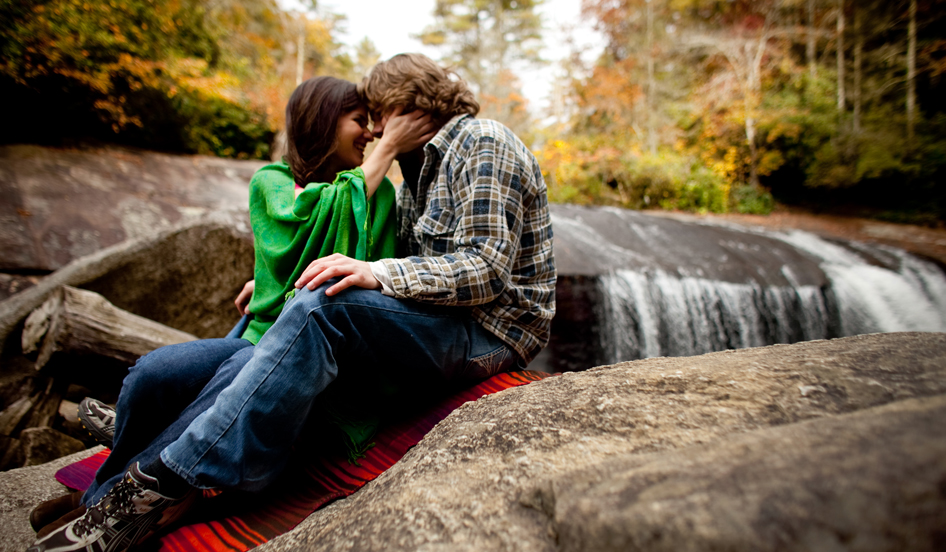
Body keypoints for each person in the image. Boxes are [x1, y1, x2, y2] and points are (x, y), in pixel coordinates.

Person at [28, 53, 556, 552]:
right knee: (180, 368)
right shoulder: (414, 171)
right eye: (366, 119)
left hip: (488, 332)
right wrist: (274, 282)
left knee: (319, 308)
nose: (374, 130)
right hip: (434, 322)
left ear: (409, 104)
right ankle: (113, 496)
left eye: (378, 115)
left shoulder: (481, 142)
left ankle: (167, 480)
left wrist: (372, 272)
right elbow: (366, 255)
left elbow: (484, 271)